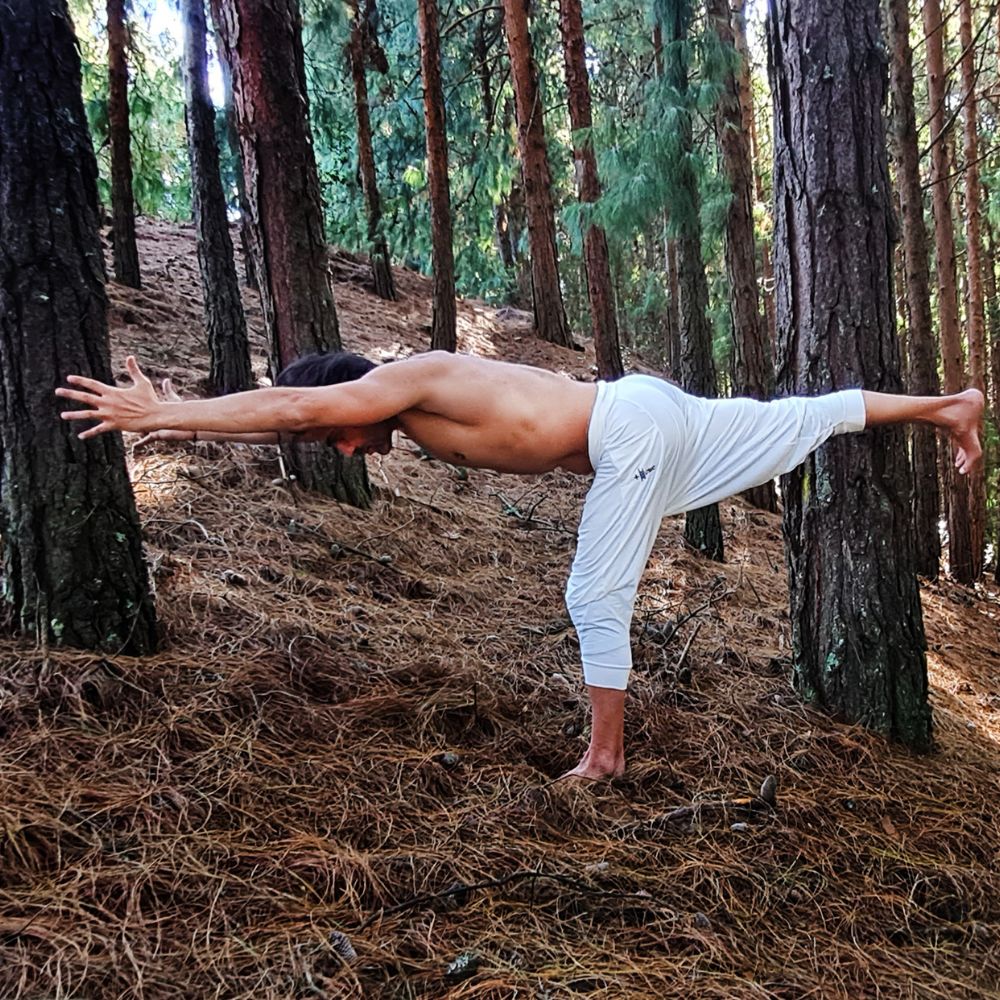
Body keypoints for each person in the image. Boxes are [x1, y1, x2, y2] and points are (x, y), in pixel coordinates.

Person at [56, 351, 984, 780]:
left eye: (341, 433)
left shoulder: (397, 383)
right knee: (796, 417)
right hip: (648, 414)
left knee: (594, 592)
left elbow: (295, 404)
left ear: (351, 391)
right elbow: (310, 408)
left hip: (630, 427)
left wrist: (164, 414)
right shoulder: (411, 401)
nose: (343, 448)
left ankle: (606, 757)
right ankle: (951, 405)